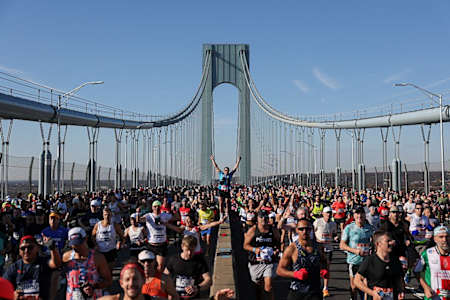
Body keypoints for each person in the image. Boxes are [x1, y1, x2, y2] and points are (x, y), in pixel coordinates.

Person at [276, 219, 328, 300]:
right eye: (301, 229)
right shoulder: (292, 249)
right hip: (297, 291)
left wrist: (325, 270)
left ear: (311, 230)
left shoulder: (318, 246)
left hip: (314, 291)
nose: (304, 231)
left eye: (307, 229)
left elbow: (324, 261)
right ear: (297, 230)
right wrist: (295, 274)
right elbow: (279, 270)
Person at [3, 235, 61, 299]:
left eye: (30, 247)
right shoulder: (14, 267)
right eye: (23, 248)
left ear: (37, 248)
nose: (26, 251)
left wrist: (52, 248)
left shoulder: (43, 262)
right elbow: (4, 285)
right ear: (19, 251)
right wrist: (13, 295)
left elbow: (56, 264)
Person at [63, 227, 112, 299]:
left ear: (85, 239)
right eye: (74, 244)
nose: (77, 247)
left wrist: (94, 286)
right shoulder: (66, 257)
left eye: (79, 243)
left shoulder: (97, 257)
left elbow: (108, 280)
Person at [354, 231, 405, 300]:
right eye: (388, 241)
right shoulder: (370, 260)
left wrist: (401, 292)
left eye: (391, 240)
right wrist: (372, 293)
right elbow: (357, 280)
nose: (392, 243)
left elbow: (399, 279)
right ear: (378, 244)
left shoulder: (395, 260)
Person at [244, 210, 281, 300]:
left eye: (265, 216)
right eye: (261, 216)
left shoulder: (273, 230)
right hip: (256, 262)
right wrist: (255, 249)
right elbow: (245, 246)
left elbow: (279, 244)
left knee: (268, 286)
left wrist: (276, 250)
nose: (263, 218)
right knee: (258, 287)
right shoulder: (253, 230)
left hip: (269, 262)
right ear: (257, 219)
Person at [340, 207, 375, 300]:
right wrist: (355, 251)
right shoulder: (349, 228)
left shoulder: (369, 228)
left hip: (366, 261)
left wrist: (373, 248)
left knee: (366, 286)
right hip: (354, 261)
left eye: (361, 214)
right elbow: (342, 245)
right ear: (354, 215)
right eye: (357, 214)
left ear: (364, 215)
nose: (359, 216)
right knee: (354, 286)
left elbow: (375, 242)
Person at [414, 225, 450, 300]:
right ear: (435, 239)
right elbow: (416, 271)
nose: (444, 239)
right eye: (441, 237)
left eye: (447, 236)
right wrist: (425, 288)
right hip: (433, 297)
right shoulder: (427, 254)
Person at [141, 200, 173, 273]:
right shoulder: (149, 215)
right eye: (155, 206)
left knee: (160, 267)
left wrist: (172, 210)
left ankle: (158, 281)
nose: (156, 208)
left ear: (160, 207)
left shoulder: (164, 215)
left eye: (158, 206)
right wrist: (138, 216)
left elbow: (176, 217)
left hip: (161, 245)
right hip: (151, 245)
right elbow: (141, 219)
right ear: (152, 207)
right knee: (151, 266)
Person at [313, 206, 337, 297]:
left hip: (328, 248)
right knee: (317, 268)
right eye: (327, 213)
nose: (329, 214)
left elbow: (334, 233)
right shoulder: (317, 222)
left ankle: (325, 288)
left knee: (326, 269)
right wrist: (317, 241)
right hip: (318, 248)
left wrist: (335, 237)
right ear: (323, 213)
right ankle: (316, 286)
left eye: (330, 213)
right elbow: (312, 232)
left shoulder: (333, 224)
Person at [92, 206, 125, 272]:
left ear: (111, 215)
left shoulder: (115, 225)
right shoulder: (98, 225)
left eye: (109, 214)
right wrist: (95, 245)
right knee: (100, 270)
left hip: (111, 250)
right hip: (100, 251)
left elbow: (122, 237)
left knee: (109, 270)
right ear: (103, 215)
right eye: (105, 214)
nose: (107, 216)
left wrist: (120, 243)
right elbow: (92, 236)